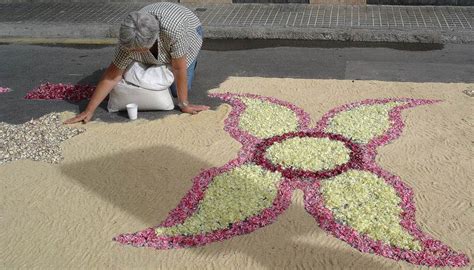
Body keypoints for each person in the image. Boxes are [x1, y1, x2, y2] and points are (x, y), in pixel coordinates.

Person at [65, 2, 208, 124]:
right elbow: (112, 76)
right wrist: (88, 110)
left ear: (154, 40)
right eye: (134, 51)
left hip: (190, 29)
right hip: (155, 29)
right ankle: (157, 61)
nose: (136, 53)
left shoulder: (175, 32)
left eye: (140, 50)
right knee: (143, 65)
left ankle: (191, 62)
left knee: (177, 90)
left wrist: (184, 105)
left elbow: (178, 68)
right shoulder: (129, 36)